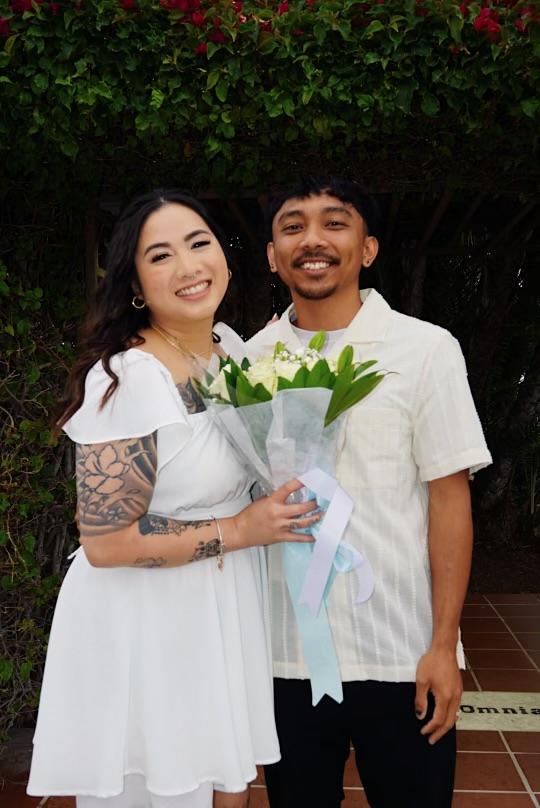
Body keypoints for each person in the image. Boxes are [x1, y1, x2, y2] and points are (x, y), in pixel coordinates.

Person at [27, 189, 320, 808]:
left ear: (224, 255)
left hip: (221, 598)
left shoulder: (229, 350)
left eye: (198, 243)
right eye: (160, 256)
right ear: (135, 284)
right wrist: (242, 530)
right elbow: (105, 542)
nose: (188, 267)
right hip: (147, 614)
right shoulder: (127, 378)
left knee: (226, 777)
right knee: (164, 783)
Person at [246, 176, 492, 808]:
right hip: (286, 656)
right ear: (272, 255)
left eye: (335, 223)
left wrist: (443, 645)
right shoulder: (248, 363)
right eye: (292, 226)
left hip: (401, 652)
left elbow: (449, 500)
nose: (312, 240)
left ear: (368, 248)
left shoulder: (425, 350)